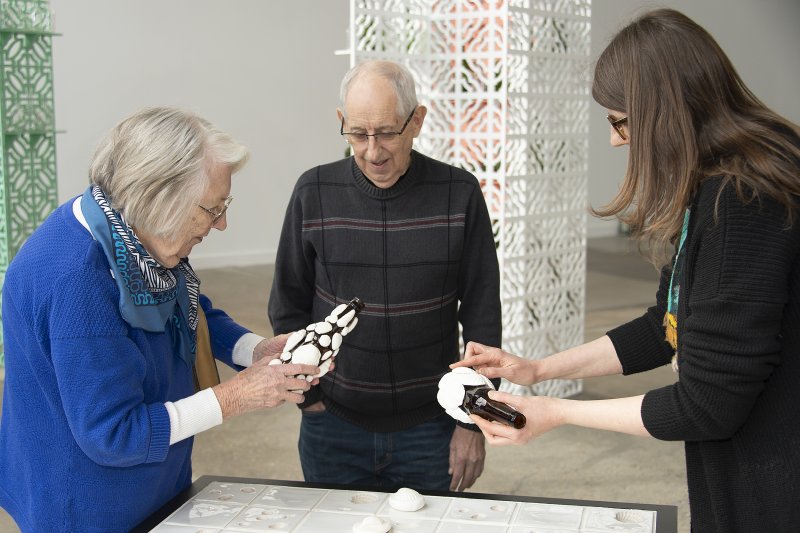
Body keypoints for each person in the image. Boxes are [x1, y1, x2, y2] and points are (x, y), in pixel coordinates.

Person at [453, 9, 800, 533]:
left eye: (620, 122)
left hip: (773, 483)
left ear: (662, 113)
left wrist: (556, 413)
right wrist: (537, 370)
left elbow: (707, 405)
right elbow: (666, 325)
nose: (617, 141)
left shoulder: (743, 203)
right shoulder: (717, 186)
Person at [0, 107, 321, 532]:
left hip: (153, 485)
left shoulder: (129, 231)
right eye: (213, 208)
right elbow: (112, 434)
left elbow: (185, 308)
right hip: (89, 508)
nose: (222, 223)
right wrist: (235, 397)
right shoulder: (78, 281)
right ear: (158, 196)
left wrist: (254, 349)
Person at [268, 60, 501, 492]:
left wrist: (473, 421)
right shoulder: (313, 192)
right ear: (342, 123)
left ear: (417, 121)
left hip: (432, 427)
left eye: (388, 132)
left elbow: (483, 315)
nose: (373, 151)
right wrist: (310, 399)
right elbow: (287, 305)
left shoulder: (459, 193)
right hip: (331, 427)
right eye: (358, 134)